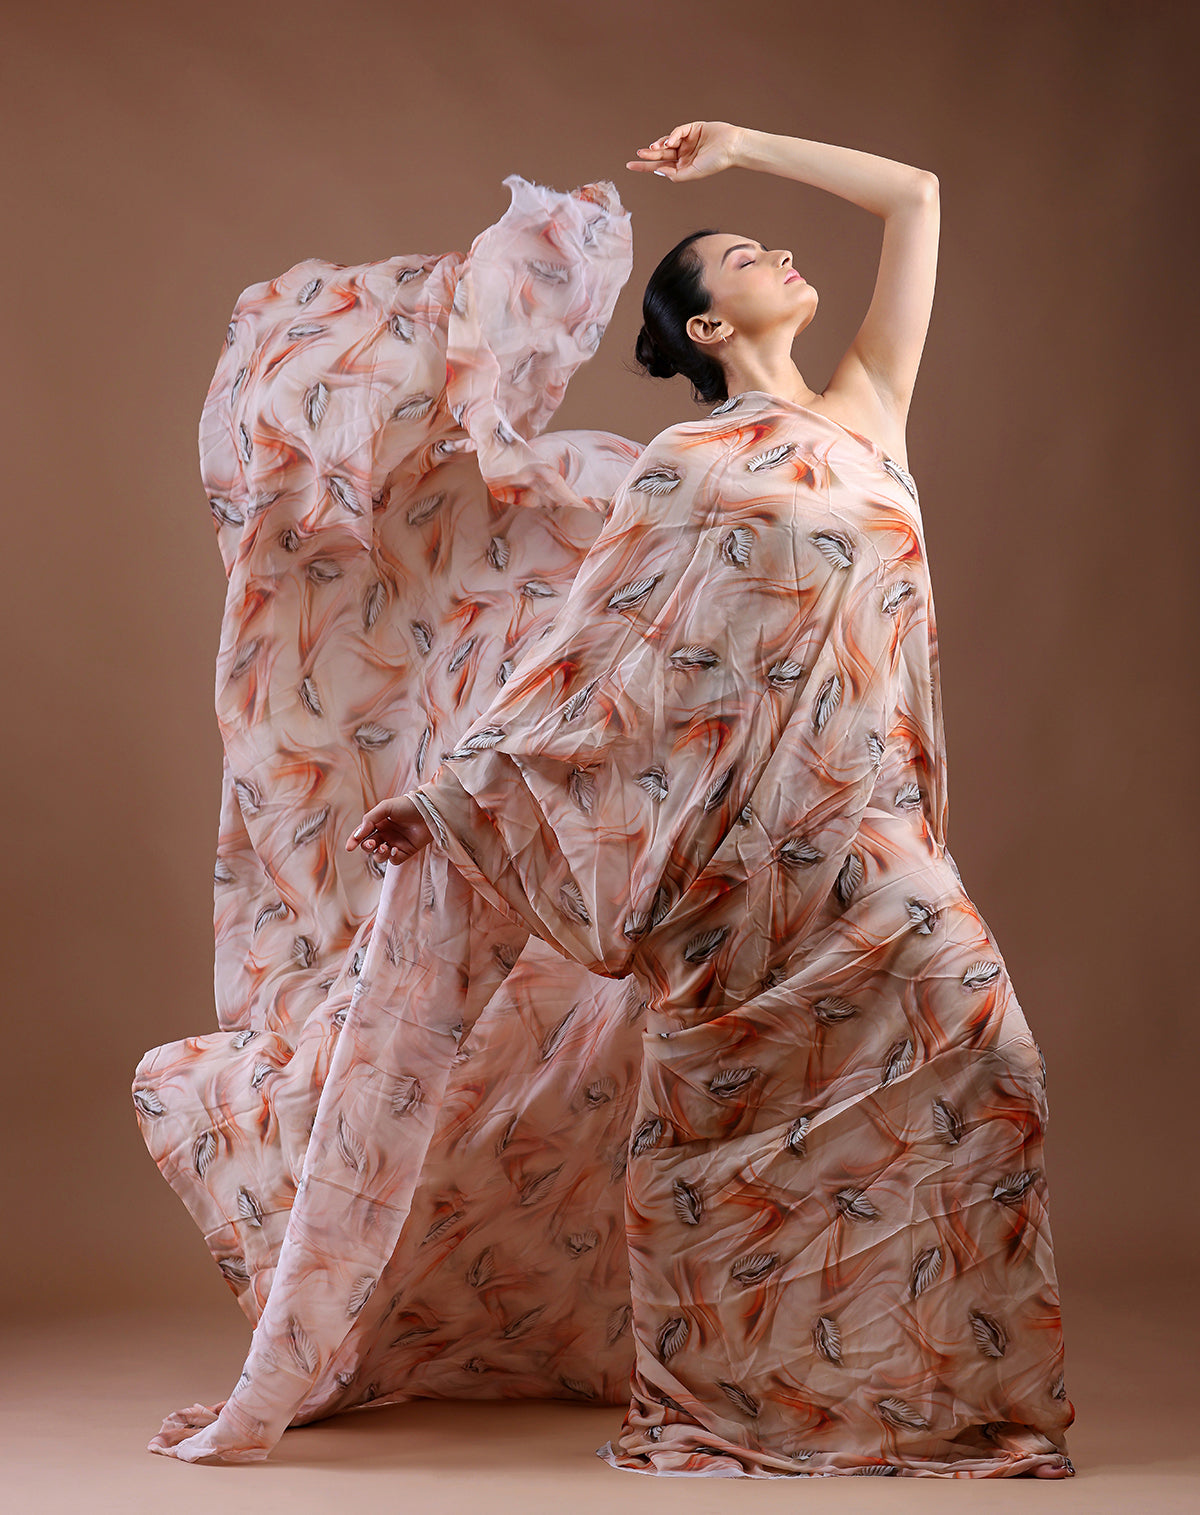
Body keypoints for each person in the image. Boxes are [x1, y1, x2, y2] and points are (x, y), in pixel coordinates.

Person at [346, 122, 1076, 1477]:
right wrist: (452, 796)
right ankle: (729, 1395)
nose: (779, 254)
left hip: (873, 829)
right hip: (746, 854)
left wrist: (742, 144)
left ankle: (947, 1395)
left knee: (994, 1060)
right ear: (704, 325)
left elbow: (917, 194)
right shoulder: (684, 466)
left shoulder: (868, 410)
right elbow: (589, 655)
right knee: (728, 1128)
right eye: (744, 255)